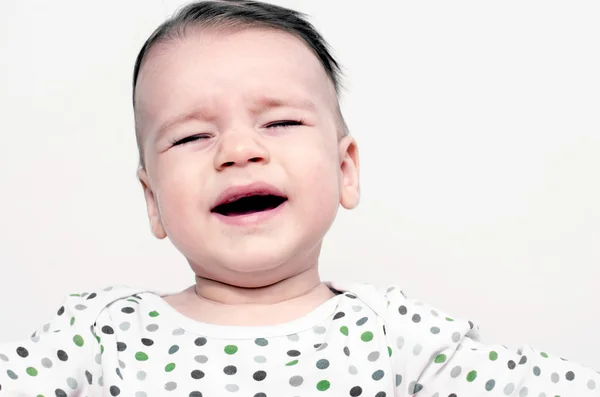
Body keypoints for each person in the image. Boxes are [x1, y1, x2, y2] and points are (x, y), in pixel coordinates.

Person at [1, 1, 598, 396]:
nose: (237, 150)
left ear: (345, 169)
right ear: (152, 199)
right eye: (191, 135)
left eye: (280, 123)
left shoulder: (395, 334)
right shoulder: (102, 335)